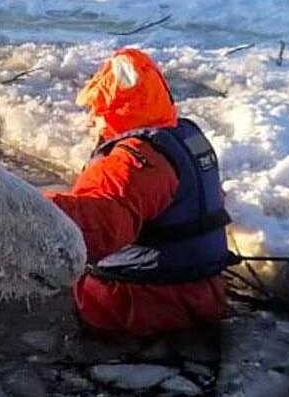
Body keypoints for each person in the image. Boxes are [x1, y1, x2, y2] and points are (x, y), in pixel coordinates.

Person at [46, 49, 230, 337]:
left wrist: (25, 206)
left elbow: (99, 228)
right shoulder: (187, 140)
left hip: (135, 306)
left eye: (97, 109)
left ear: (115, 110)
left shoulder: (132, 160)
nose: (92, 120)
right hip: (204, 295)